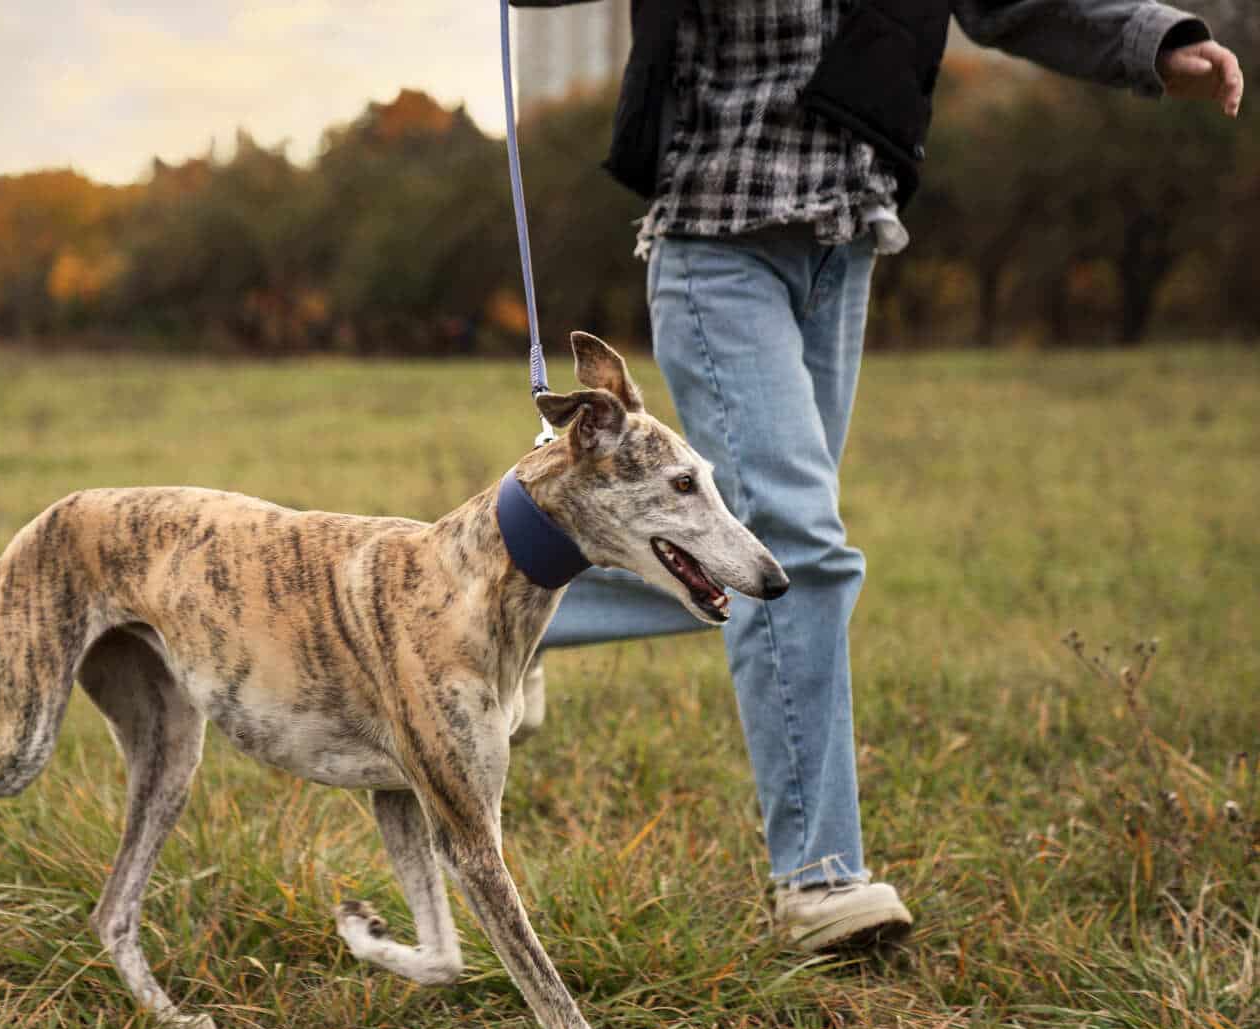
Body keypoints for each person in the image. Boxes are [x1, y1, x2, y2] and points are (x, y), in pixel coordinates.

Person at [511, 0, 1243, 951]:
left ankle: (512, 600)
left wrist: (1151, 40)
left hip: (844, 245)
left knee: (765, 552)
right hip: (715, 241)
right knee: (800, 543)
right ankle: (819, 880)